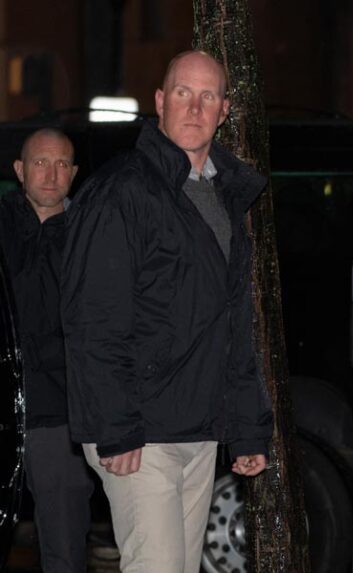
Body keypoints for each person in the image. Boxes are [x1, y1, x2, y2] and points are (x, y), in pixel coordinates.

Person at [61, 50, 273, 573]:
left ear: (224, 110)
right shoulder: (122, 192)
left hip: (197, 428)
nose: (194, 107)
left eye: (208, 96)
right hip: (139, 431)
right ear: (160, 101)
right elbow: (92, 319)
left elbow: (233, 323)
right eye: (183, 92)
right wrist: (115, 428)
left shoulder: (225, 196)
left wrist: (247, 427)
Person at [0, 128, 92, 572]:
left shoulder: (90, 235)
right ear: (19, 170)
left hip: (61, 418)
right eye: (40, 162)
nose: (51, 175)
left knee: (64, 551)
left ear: (74, 174)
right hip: (4, 413)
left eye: (61, 165)